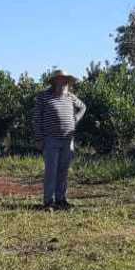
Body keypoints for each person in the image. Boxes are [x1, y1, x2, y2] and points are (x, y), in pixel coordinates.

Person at [34, 69, 89, 209]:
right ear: (54, 81)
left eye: (66, 81)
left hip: (68, 140)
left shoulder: (70, 96)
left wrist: (75, 119)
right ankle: (48, 202)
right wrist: (39, 138)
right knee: (51, 171)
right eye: (61, 80)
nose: (64, 83)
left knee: (63, 171)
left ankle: (61, 199)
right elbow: (37, 118)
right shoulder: (43, 96)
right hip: (51, 140)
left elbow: (83, 107)